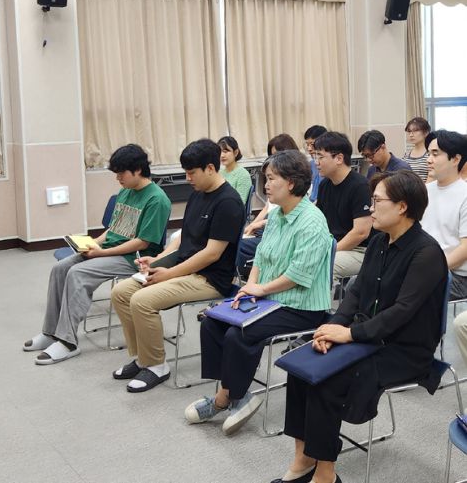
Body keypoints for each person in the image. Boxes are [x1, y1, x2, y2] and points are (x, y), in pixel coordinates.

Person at [272, 170, 447, 483]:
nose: (370, 208)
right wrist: (331, 329)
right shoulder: (379, 241)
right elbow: (355, 295)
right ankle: (304, 459)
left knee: (327, 380)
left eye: (377, 201)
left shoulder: (426, 253)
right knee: (302, 368)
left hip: (403, 349)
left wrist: (349, 334)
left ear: (402, 207)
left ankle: (325, 475)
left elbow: (402, 313)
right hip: (367, 336)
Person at [184, 150, 331, 435]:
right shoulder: (276, 215)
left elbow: (298, 275)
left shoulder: (312, 221)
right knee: (213, 322)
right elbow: (260, 259)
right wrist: (249, 289)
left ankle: (226, 398)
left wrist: (260, 289)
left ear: (291, 182)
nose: (265, 185)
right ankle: (234, 394)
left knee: (238, 334)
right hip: (268, 298)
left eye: (272, 178)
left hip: (300, 306)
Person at [110, 139, 244, 393]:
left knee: (142, 301)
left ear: (210, 168)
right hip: (184, 267)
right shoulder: (198, 194)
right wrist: (159, 259)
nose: (188, 178)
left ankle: (156, 365)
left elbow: (211, 254)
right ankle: (142, 358)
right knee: (121, 293)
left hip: (209, 278)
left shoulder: (228, 202)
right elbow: (183, 237)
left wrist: (169, 273)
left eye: (192, 173)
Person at [24, 144, 171, 365]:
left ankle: (68, 342)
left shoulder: (157, 200)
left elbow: (142, 242)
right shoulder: (125, 192)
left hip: (134, 258)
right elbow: (113, 229)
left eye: (121, 173)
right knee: (60, 268)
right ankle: (51, 332)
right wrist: (93, 244)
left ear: (138, 170)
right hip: (110, 251)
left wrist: (102, 252)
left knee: (78, 273)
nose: (118, 178)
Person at [237, 133, 300, 275]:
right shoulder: (276, 193)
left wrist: (260, 224)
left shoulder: (295, 185)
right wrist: (251, 226)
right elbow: (267, 208)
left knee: (238, 247)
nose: (266, 185)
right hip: (267, 228)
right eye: (272, 155)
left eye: (278, 154)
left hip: (273, 231)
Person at [313, 131, 372, 281]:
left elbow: (361, 232)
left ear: (339, 158)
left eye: (320, 157)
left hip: (360, 250)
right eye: (315, 157)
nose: (316, 162)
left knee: (323, 266)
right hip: (333, 245)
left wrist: (329, 252)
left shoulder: (360, 186)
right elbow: (317, 221)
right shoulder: (325, 185)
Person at [421, 130, 467, 300]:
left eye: (435, 154)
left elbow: (465, 248)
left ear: (455, 159)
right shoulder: (424, 191)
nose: (428, 159)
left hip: (455, 276)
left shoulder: (464, 194)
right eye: (428, 154)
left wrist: (433, 268)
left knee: (402, 288)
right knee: (362, 282)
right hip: (423, 266)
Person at [218, 135, 252, 205]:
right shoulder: (219, 172)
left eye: (225, 151)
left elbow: (240, 203)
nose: (222, 155)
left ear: (236, 152)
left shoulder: (243, 175)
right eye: (220, 152)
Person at [402, 117, 432, 181]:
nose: (411, 135)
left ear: (426, 132)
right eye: (409, 131)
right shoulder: (406, 154)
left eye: (415, 131)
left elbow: (432, 176)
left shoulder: (430, 153)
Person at [304, 125, 327, 202]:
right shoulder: (310, 164)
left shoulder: (330, 165)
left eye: (312, 144)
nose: (309, 149)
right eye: (307, 145)